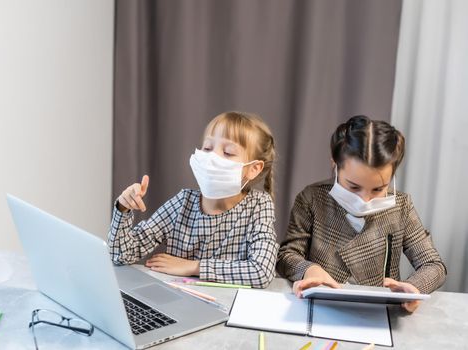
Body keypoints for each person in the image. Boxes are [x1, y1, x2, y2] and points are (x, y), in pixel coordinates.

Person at [277, 115, 446, 311]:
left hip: (377, 312)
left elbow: (434, 264)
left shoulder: (400, 207)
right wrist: (309, 270)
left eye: (378, 189)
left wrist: (413, 288)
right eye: (353, 187)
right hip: (322, 306)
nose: (365, 199)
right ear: (335, 164)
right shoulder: (312, 199)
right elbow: (287, 255)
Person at [108, 111, 278, 288]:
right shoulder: (183, 202)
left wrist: (194, 267)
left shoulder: (259, 206)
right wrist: (123, 208)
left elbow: (261, 271)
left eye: (227, 152)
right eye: (207, 148)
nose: (213, 158)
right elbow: (121, 254)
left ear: (254, 168)